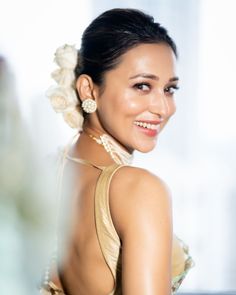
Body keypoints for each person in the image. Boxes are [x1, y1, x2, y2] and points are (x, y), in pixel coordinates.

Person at [41, 8, 194, 295]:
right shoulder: (140, 190)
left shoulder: (50, 168)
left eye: (169, 89)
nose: (163, 108)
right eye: (142, 86)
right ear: (88, 89)